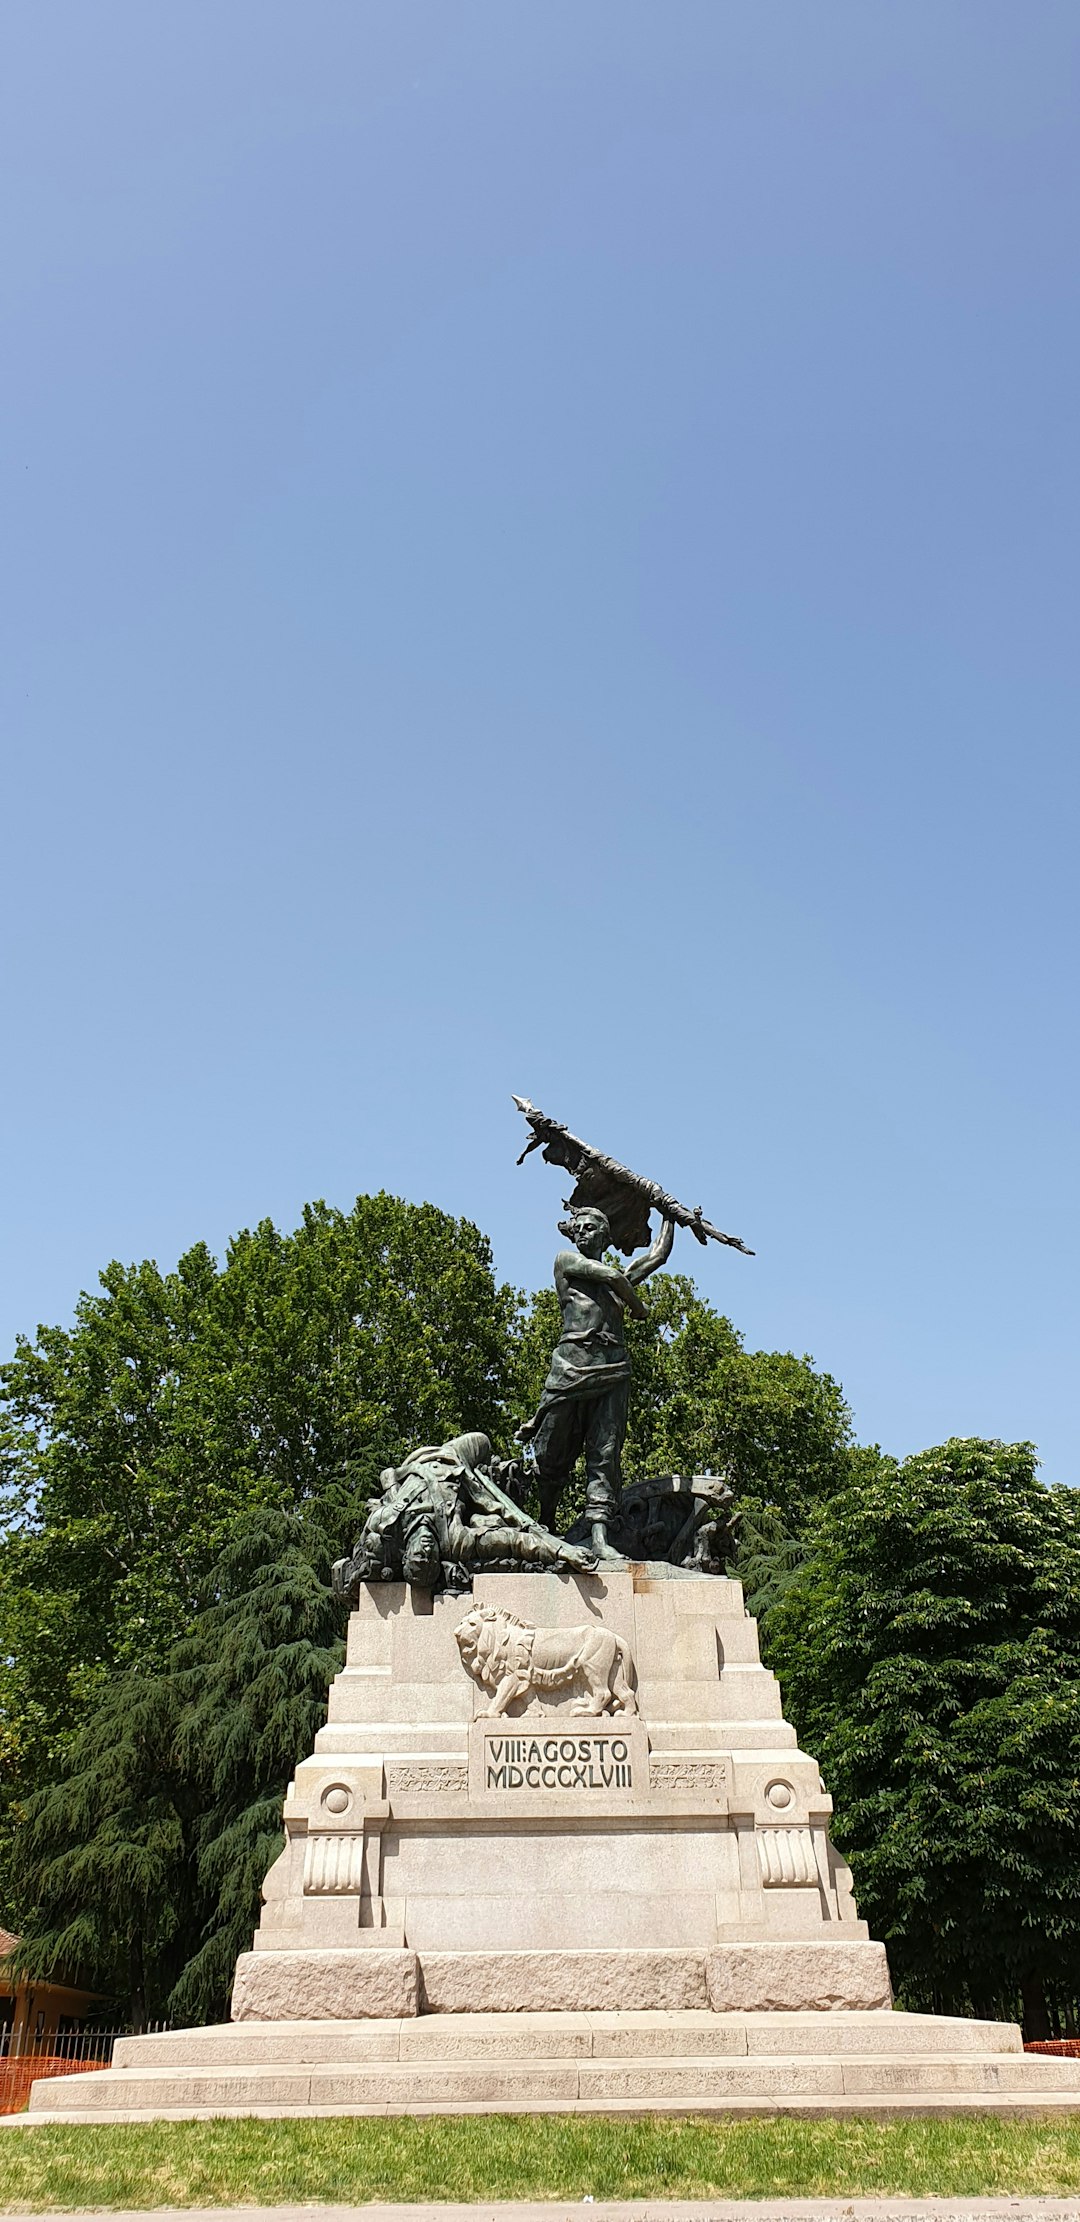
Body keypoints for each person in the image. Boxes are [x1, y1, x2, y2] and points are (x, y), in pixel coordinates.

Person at [517, 1206, 674, 1560]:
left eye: (592, 1228)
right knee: (551, 1450)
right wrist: (639, 1308)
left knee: (604, 1453)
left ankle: (600, 1536)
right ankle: (544, 1521)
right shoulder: (567, 1261)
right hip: (571, 1367)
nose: (584, 1233)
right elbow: (615, 1278)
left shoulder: (616, 1280)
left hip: (613, 1367)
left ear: (606, 1236)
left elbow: (658, 1256)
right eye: (580, 1228)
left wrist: (669, 1215)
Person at [339, 1431, 597, 1595]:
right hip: (456, 1461)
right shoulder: (455, 1541)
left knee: (483, 1440)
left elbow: (387, 1475)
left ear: (406, 1554)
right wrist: (564, 1551)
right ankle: (493, 1480)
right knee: (482, 1442)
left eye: (420, 1557)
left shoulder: (388, 1523)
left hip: (420, 1458)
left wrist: (396, 1483)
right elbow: (515, 1541)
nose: (427, 1550)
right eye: (430, 1560)